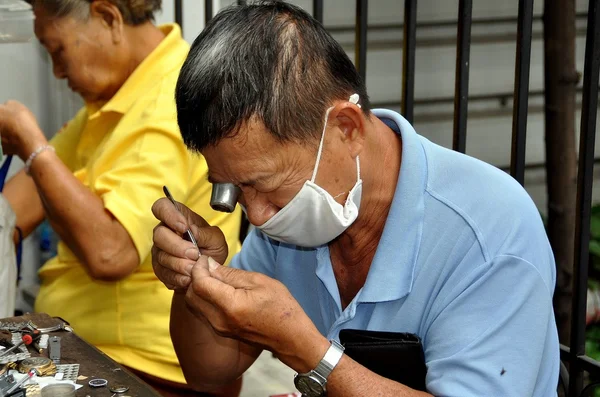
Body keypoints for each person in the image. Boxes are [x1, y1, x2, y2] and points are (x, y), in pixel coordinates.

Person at [151, 1, 560, 396]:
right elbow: (207, 371)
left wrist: (309, 351)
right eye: (235, 189)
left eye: (265, 184)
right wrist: (193, 278)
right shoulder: (294, 217)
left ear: (346, 128)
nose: (257, 217)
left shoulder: (489, 234)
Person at [0, 1, 242, 396]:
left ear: (109, 18)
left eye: (59, 51)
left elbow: (110, 253)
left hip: (143, 367)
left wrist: (32, 142)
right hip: (80, 348)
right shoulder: (115, 102)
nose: (59, 72)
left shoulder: (168, 101)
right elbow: (11, 212)